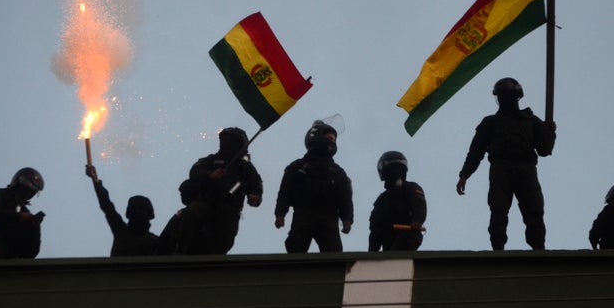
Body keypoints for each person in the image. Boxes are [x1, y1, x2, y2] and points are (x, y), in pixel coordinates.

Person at [456, 78, 556, 251]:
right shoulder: (490, 123)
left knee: (533, 209)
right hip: (501, 168)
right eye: (502, 95)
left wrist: (550, 133)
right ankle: (498, 248)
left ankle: (538, 249)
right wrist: (465, 174)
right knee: (499, 210)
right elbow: (476, 152)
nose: (504, 99)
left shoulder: (531, 121)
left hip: (525, 168)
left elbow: (545, 150)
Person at [177, 127, 263, 254]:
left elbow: (256, 186)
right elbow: (194, 172)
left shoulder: (245, 167)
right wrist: (210, 174)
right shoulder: (210, 160)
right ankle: (181, 252)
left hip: (229, 209)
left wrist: (255, 198)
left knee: (223, 238)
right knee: (191, 214)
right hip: (206, 202)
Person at [274, 120, 354, 253]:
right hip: (303, 213)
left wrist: (347, 219)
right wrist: (280, 214)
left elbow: (346, 198)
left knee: (334, 253)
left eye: (333, 139)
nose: (331, 141)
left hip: (329, 216)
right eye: (328, 138)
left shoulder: (338, 172)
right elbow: (285, 192)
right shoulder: (297, 166)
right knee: (295, 249)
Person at [85, 165, 159, 256]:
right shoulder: (156, 241)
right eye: (136, 210)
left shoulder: (156, 241)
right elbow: (107, 205)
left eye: (141, 210)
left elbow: (107, 206)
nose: (138, 214)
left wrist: (95, 180)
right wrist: (95, 180)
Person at [0, 167, 45, 259]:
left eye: (32, 190)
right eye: (27, 186)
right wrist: (18, 217)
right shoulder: (1, 194)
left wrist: (35, 227)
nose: (28, 191)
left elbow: (32, 251)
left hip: (15, 262)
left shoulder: (26, 213)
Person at [369, 151, 427, 252]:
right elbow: (375, 228)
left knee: (396, 256)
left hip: (407, 234)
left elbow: (419, 206)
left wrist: (417, 221)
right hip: (388, 240)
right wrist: (371, 254)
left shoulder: (410, 188)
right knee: (388, 260)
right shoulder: (382, 199)